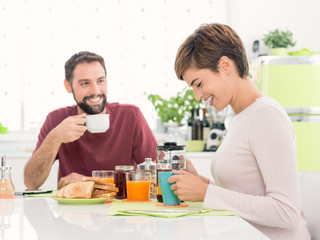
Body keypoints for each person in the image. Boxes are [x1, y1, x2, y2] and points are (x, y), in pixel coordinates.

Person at [170, 23, 310, 240]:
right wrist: (202, 183)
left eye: (199, 84)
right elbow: (248, 195)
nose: (197, 96)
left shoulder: (266, 116)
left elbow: (286, 211)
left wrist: (207, 193)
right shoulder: (240, 118)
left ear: (225, 65)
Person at [24, 51, 157, 190]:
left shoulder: (131, 116)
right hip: (73, 209)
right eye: (85, 83)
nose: (95, 91)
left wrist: (90, 182)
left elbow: (155, 178)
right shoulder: (56, 120)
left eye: (100, 81)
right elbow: (31, 183)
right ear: (68, 86)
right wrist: (55, 137)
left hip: (119, 206)